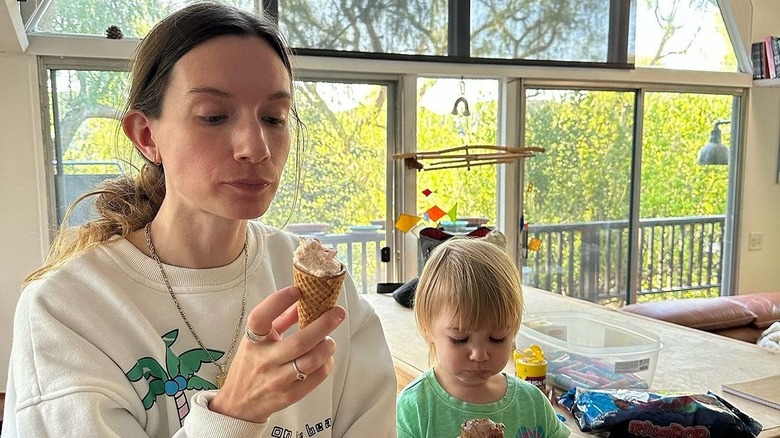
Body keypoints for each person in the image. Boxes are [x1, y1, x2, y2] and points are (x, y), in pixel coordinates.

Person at [2, 3, 396, 437]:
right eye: (213, 116)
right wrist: (233, 414)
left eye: (273, 118)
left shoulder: (319, 289)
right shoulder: (68, 310)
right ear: (147, 136)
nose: (256, 147)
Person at [396, 238, 570, 437]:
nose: (479, 355)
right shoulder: (415, 407)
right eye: (460, 338)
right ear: (427, 329)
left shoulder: (532, 404)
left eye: (497, 338)